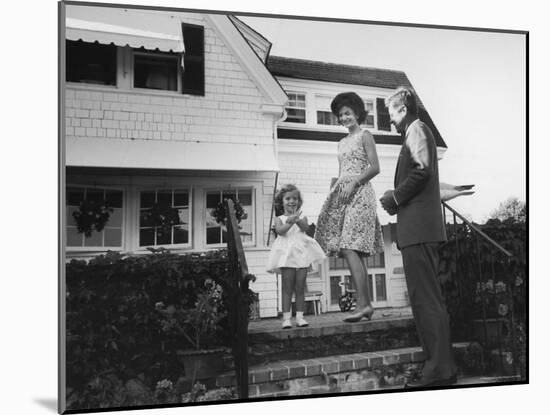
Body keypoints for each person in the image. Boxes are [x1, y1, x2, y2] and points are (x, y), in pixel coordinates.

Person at [379, 86, 457, 388]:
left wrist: (395, 197)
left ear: (404, 108)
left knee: (426, 300)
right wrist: (395, 196)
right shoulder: (413, 133)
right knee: (423, 300)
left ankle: (439, 369)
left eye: (391, 113)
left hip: (420, 231)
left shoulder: (417, 130)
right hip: (416, 231)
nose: (390, 121)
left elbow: (422, 170)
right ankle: (438, 366)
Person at [315, 92, 383, 323]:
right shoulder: (341, 142)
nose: (344, 117)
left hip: (361, 194)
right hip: (343, 195)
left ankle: (364, 305)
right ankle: (366, 305)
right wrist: (335, 184)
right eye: (340, 114)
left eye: (348, 113)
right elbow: (344, 168)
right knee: (353, 250)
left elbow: (375, 167)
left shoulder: (365, 135)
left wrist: (354, 181)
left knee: (349, 247)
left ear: (357, 113)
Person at [267, 184, 326, 329]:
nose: (291, 201)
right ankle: (287, 318)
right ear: (282, 201)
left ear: (298, 201)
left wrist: (297, 219)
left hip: (301, 255)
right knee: (287, 288)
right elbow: (281, 231)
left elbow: (305, 228)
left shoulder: (303, 217)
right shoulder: (279, 218)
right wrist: (290, 221)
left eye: (294, 198)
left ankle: (300, 317)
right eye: (288, 198)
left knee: (300, 287)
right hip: (287, 256)